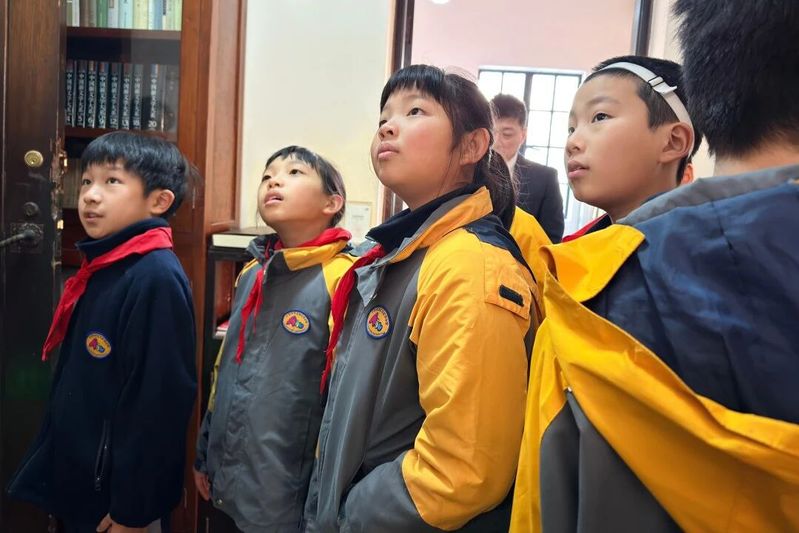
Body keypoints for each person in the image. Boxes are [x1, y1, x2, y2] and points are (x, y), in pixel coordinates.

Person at [511, 1, 799, 531]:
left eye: (599, 117)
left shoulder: (598, 285)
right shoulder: (573, 263)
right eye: (571, 124)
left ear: (674, 140)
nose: (573, 139)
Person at [303, 65, 540, 532]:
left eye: (415, 111)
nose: (388, 127)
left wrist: (351, 512)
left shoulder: (469, 264)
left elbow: (464, 469)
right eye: (384, 117)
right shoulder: (407, 252)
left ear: (472, 146)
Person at [8, 132, 197, 533]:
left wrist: (134, 508)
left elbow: (159, 403)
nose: (90, 196)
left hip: (119, 497)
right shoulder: (106, 265)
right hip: (85, 481)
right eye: (87, 180)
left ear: (159, 201)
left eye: (112, 181)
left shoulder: (154, 277)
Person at [193, 146, 353, 532]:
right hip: (227, 481)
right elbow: (224, 372)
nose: (274, 181)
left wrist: (322, 503)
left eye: (294, 173)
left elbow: (342, 404)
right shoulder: (252, 271)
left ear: (332, 203)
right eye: (267, 175)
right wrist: (204, 454)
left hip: (288, 496)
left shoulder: (343, 278)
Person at [561, 55, 701, 241]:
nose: (572, 143)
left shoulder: (703, 254)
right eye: (571, 129)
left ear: (672, 142)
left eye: (600, 117)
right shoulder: (570, 252)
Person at [491, 94, 564, 243]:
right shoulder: (469, 173)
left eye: (507, 134)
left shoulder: (545, 179)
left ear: (523, 135)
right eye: (491, 132)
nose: (496, 142)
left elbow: (552, 240)